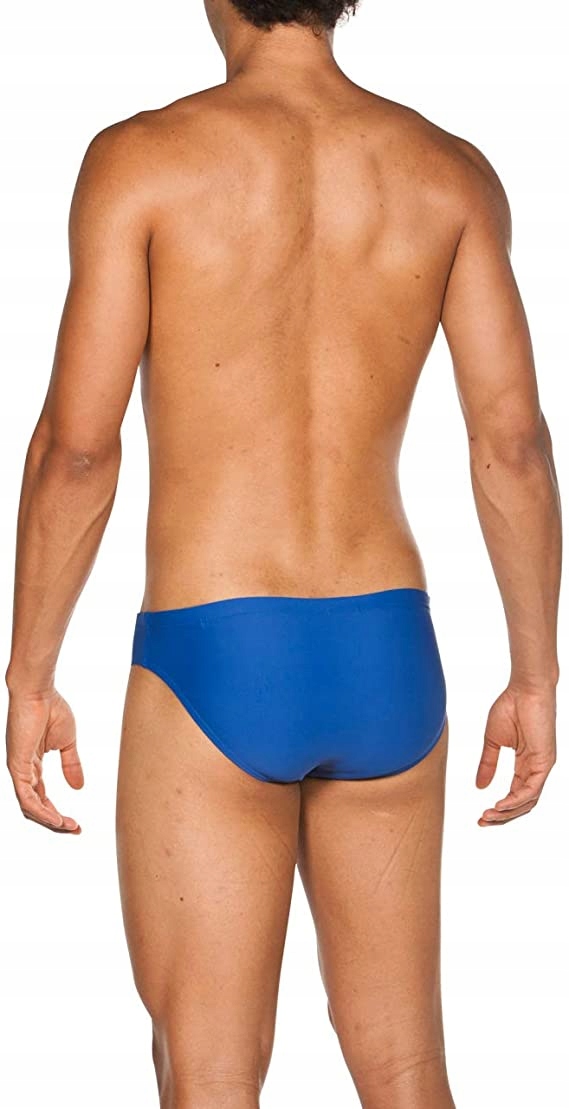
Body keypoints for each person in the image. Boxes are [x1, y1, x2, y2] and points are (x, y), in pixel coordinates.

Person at [5, 0, 561, 1106]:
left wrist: (30, 673)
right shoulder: (449, 172)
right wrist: (534, 673)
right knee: (405, 1067)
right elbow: (512, 445)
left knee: (209, 1073)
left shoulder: (142, 160)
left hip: (217, 649)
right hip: (386, 651)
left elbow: (78, 449)